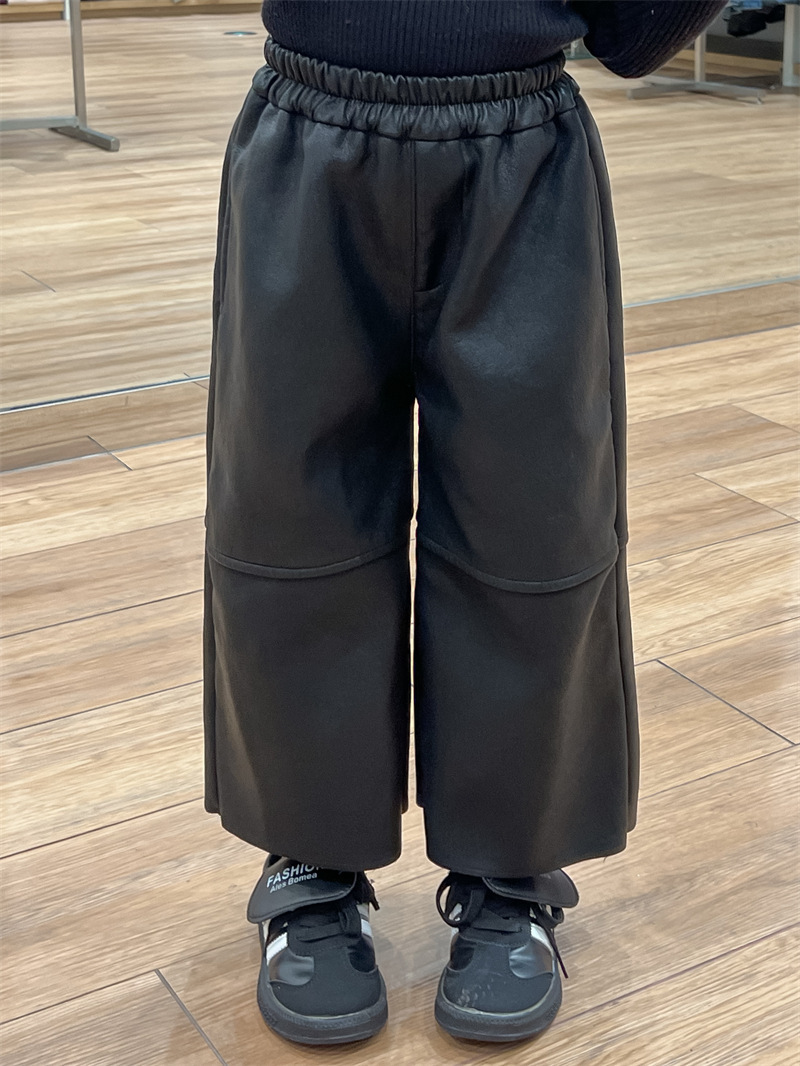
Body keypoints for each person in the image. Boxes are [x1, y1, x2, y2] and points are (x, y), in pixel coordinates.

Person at [203, 0, 726, 1047]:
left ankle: (511, 867)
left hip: (520, 147)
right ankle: (309, 853)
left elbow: (633, 38)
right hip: (309, 126)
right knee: (288, 520)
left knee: (536, 525)